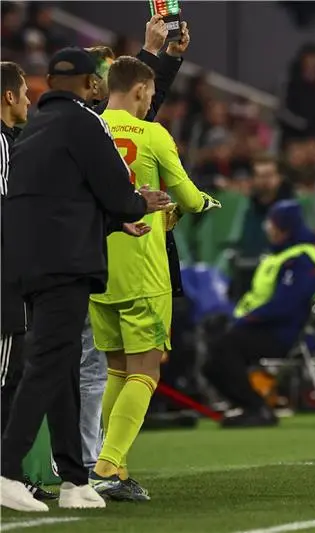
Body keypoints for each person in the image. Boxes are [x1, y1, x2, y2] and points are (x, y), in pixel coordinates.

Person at [0, 47, 170, 513]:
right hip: (66, 265)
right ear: (90, 85)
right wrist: (139, 205)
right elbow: (114, 187)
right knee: (48, 362)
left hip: (29, 263)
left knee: (62, 370)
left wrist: (116, 222)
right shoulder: (83, 122)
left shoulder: (35, 127)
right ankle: (7, 468)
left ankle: (75, 478)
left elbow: (62, 199)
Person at [87, 56, 219, 501]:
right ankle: (106, 465)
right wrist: (203, 204)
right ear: (143, 90)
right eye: (148, 95)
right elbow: (183, 192)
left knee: (117, 370)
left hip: (97, 267)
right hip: (143, 268)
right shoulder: (152, 133)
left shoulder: (89, 128)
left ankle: (113, 467)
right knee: (145, 370)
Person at [76, 15, 189, 477]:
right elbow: (136, 109)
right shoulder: (84, 126)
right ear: (88, 85)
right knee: (98, 370)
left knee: (106, 370)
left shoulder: (85, 127)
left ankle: (104, 464)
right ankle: (94, 463)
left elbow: (140, 106)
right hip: (110, 261)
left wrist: (164, 59)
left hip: (94, 262)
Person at [204, 200, 315, 428]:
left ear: (284, 227)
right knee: (212, 354)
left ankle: (256, 407)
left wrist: (248, 319)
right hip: (261, 327)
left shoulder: (301, 259)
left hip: (282, 333)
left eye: (272, 224)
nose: (268, 229)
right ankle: (249, 405)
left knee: (224, 349)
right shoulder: (278, 255)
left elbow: (286, 304)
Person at [0, 60, 57, 503]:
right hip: (5, 278)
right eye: (22, 92)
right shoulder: (1, 143)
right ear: (7, 97)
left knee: (13, 373)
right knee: (6, 377)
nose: (27, 99)